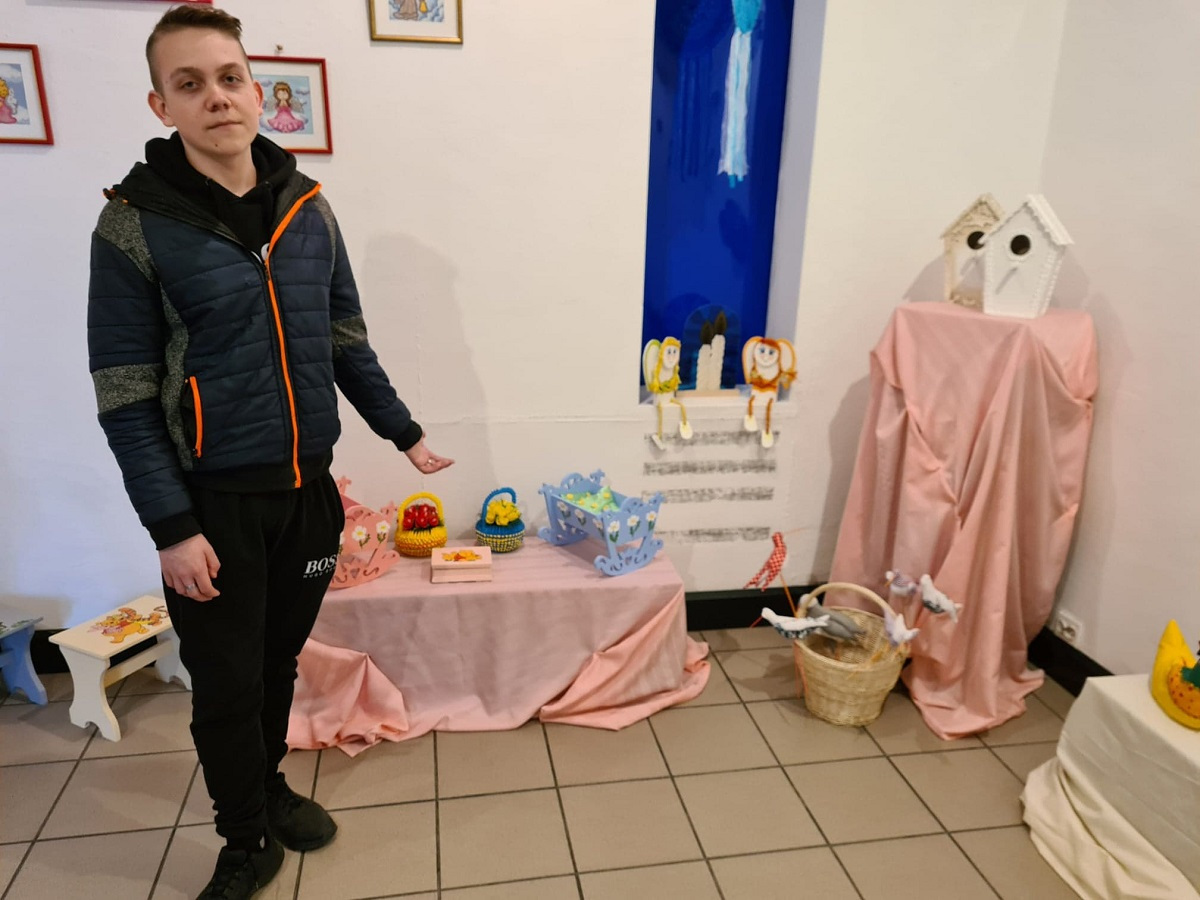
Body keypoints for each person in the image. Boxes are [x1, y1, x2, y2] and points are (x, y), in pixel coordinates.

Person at [86, 7, 452, 898]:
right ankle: (243, 836)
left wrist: (402, 431)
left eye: (229, 77)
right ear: (162, 105)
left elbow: (344, 338)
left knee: (277, 664)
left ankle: (269, 785)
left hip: (308, 496)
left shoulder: (308, 208)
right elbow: (125, 396)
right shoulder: (132, 227)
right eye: (190, 84)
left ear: (257, 90)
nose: (216, 97)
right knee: (225, 684)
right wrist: (172, 529)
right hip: (212, 509)